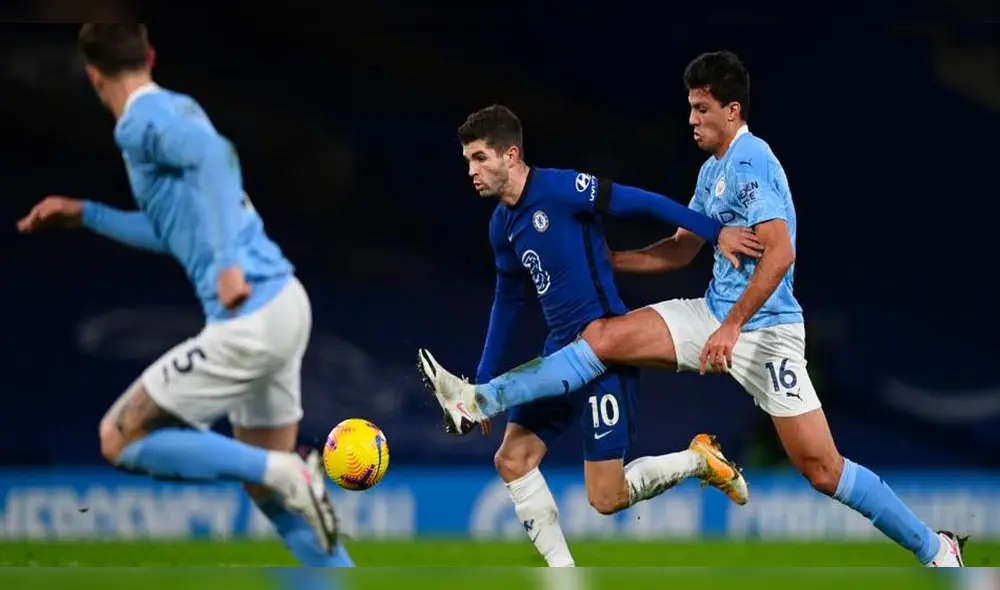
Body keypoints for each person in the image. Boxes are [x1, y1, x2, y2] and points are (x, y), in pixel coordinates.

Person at [419, 52, 966, 567]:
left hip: (765, 330)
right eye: (689, 108)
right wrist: (617, 259)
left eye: (700, 109)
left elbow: (780, 254)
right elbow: (683, 247)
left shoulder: (754, 160)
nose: (691, 119)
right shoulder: (712, 172)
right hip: (710, 313)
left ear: (732, 111)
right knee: (604, 336)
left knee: (823, 470)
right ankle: (481, 396)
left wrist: (731, 328)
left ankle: (936, 549)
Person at [16, 24, 352, 567]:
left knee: (118, 440)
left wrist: (224, 266)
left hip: (248, 316)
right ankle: (337, 576)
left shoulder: (138, 124)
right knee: (268, 489)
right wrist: (85, 214)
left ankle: (288, 471)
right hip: (285, 303)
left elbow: (217, 157)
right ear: (149, 55)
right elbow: (172, 229)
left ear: (93, 75)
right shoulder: (182, 107)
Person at [418, 104, 760, 567]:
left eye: (479, 158)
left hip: (607, 348)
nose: (471, 171)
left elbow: (641, 201)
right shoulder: (502, 225)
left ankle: (698, 460)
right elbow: (508, 299)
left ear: (510, 154)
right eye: (467, 161)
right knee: (512, 461)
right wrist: (483, 370)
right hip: (558, 350)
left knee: (606, 496)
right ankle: (565, 576)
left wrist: (716, 233)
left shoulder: (561, 189)